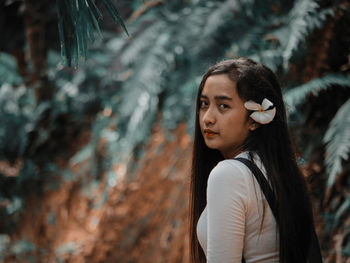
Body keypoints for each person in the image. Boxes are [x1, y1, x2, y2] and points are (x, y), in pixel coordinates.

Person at [189, 58, 316, 263]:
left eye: (223, 106)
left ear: (255, 119)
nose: (207, 118)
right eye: (204, 104)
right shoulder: (276, 170)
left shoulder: (229, 174)